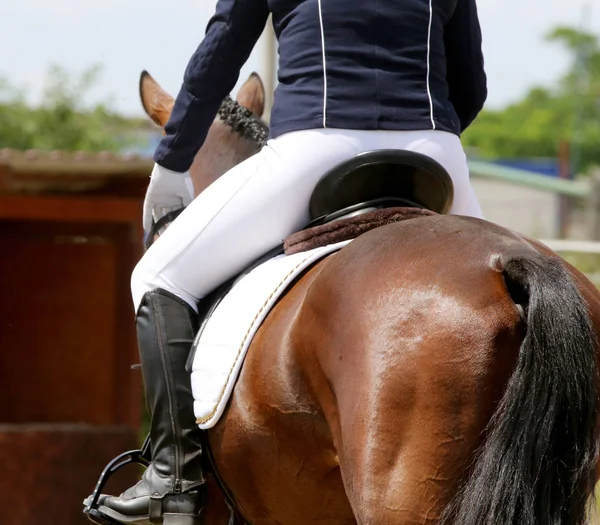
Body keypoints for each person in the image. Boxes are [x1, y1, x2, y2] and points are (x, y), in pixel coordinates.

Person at [97, 0, 487, 523]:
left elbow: (223, 49)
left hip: (317, 142)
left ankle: (174, 480)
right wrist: (424, 127)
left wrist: (170, 165)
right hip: (436, 151)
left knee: (158, 276)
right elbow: (471, 82)